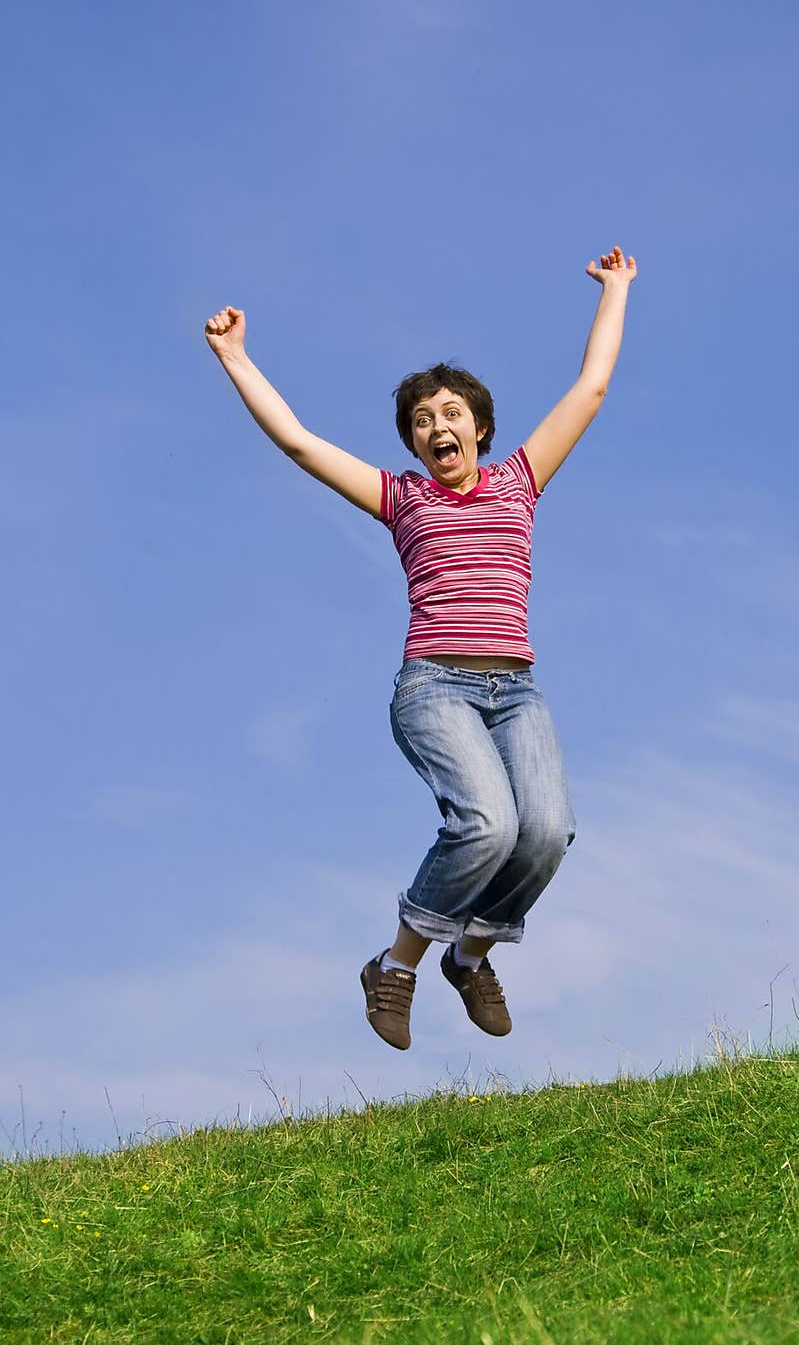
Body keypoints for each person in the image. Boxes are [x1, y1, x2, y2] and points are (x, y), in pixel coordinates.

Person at [204, 245, 637, 1051]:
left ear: (480, 426)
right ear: (413, 442)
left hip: (517, 691)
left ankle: (469, 958)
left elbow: (591, 387)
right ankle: (396, 965)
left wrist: (615, 290)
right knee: (485, 824)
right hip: (434, 686)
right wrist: (236, 356)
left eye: (449, 414)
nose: (437, 426)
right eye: (421, 421)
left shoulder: (519, 480)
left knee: (546, 832)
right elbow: (299, 442)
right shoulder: (400, 498)